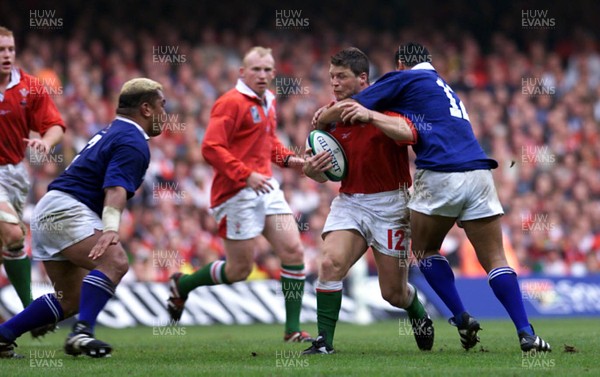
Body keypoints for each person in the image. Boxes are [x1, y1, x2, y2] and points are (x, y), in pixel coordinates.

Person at [347, 42, 551, 352]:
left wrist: (325, 118)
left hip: (441, 173)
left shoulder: (406, 78)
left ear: (401, 63)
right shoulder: (444, 87)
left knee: (426, 250)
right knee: (496, 259)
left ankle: (461, 316)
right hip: (479, 172)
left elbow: (355, 103)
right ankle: (526, 333)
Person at [0, 77, 166, 358]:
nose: (166, 113)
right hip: (67, 209)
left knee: (71, 298)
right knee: (115, 262)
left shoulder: (113, 131)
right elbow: (114, 187)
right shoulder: (133, 140)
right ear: (147, 109)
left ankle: (3, 335)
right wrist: (112, 229)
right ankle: (82, 332)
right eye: (163, 105)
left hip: (50, 209)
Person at [166, 46, 312, 342]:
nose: (262, 75)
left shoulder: (269, 100)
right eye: (256, 69)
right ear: (241, 72)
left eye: (268, 69)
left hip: (266, 188)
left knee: (294, 252)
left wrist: (290, 160)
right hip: (235, 194)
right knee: (239, 270)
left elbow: (268, 142)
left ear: (274, 73)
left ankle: (292, 330)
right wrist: (246, 175)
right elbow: (210, 147)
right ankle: (184, 285)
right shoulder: (230, 103)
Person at [302, 47, 433, 355]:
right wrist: (312, 170)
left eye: (342, 77)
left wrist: (371, 116)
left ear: (362, 78)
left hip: (392, 205)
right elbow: (323, 171)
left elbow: (409, 135)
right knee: (330, 263)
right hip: (350, 201)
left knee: (393, 293)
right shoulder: (330, 119)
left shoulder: (388, 103)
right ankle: (324, 343)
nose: (334, 83)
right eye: (331, 76)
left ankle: (416, 311)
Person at [0, 26, 65, 336]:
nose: (7, 55)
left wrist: (46, 143)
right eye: (1, 50)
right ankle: (30, 311)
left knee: (9, 243)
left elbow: (55, 125)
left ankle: (6, 333)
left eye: (10, 49)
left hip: (14, 175)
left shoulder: (30, 88)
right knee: (14, 234)